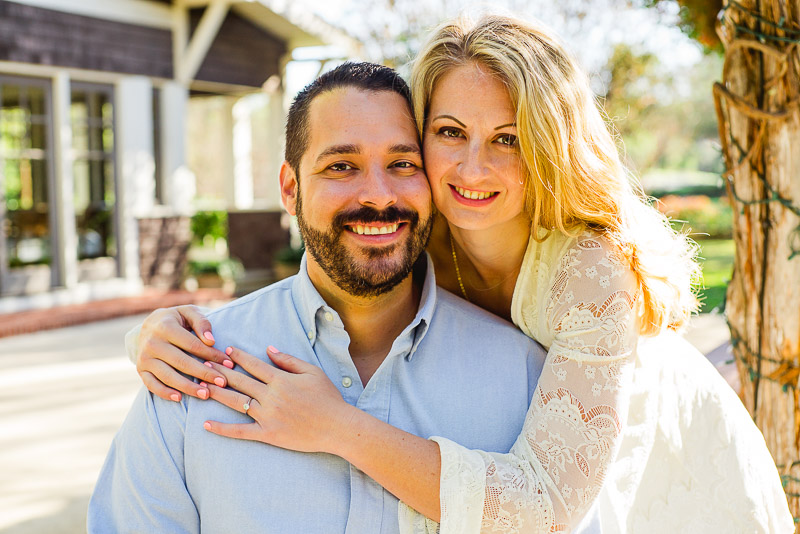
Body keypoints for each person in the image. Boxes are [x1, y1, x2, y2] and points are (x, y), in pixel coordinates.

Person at [127, 14, 793, 534]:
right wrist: (160, 334)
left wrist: (334, 426)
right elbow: (328, 275)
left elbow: (547, 502)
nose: (472, 170)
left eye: (508, 139)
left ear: (550, 146)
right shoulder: (426, 227)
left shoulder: (592, 268)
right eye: (450, 132)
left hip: (661, 474)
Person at [89, 62, 604, 533]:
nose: (378, 195)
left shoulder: (526, 378)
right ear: (290, 189)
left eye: (402, 164)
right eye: (341, 166)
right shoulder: (189, 371)